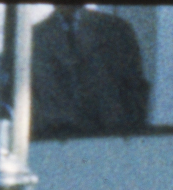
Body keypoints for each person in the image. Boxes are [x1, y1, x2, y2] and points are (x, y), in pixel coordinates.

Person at [29, 0, 150, 140]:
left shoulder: (115, 29)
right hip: (54, 139)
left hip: (112, 137)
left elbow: (135, 86)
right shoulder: (34, 37)